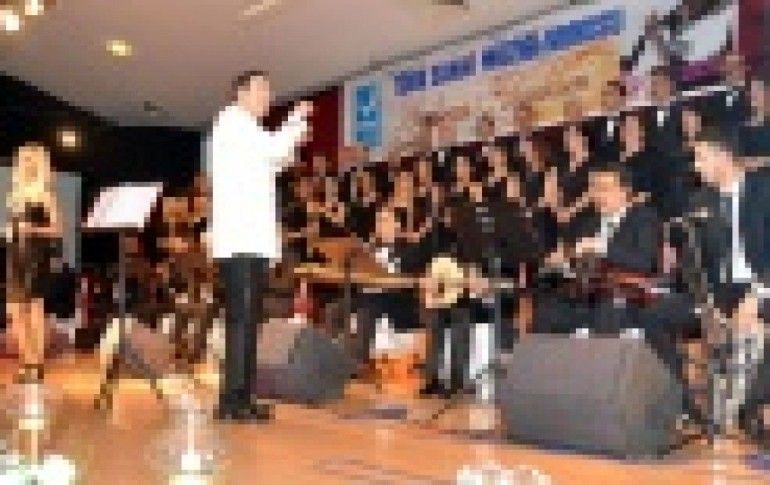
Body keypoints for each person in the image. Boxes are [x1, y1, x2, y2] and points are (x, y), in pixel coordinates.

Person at [207, 70, 312, 421]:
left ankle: (242, 397)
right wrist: (294, 120)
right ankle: (233, 401)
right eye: (261, 88)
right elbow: (275, 149)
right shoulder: (233, 121)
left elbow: (275, 161)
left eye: (269, 89)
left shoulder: (246, 130)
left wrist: (292, 136)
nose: (268, 95)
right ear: (240, 94)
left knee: (249, 319)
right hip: (241, 239)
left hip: (249, 239)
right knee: (242, 320)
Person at [5, 143, 62, 384]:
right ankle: (27, 360)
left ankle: (36, 365)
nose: (26, 164)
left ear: (40, 164)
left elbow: (58, 229)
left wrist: (33, 229)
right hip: (15, 254)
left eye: (31, 159)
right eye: (23, 159)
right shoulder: (15, 196)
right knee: (14, 309)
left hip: (36, 255)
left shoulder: (46, 195)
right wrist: (9, 231)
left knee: (34, 307)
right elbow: (16, 227)